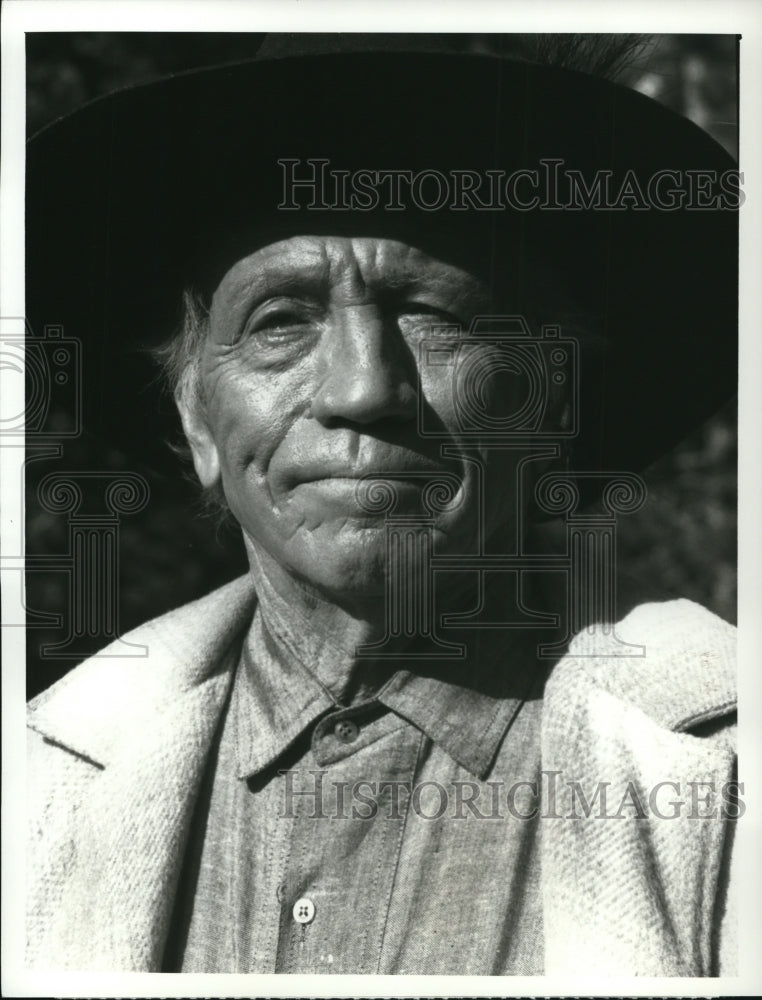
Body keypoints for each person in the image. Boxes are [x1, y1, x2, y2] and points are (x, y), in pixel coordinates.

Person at [24, 35, 739, 975]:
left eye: (433, 316)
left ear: (549, 398)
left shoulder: (727, 775)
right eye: (280, 321)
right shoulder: (35, 787)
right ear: (197, 421)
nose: (363, 390)